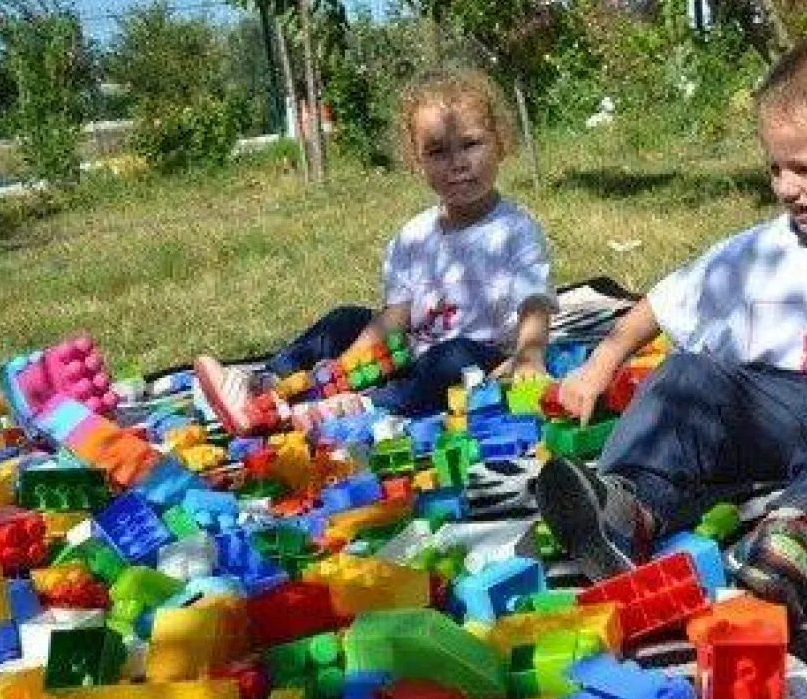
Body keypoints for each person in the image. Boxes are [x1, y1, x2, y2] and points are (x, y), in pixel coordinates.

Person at [535, 36, 807, 622]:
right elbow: (663, 305)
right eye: (776, 168)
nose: (786, 187)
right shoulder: (756, 253)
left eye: (806, 169)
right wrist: (599, 364)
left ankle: (799, 532)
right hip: (755, 412)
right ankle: (628, 506)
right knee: (691, 369)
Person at [195, 68, 555, 431]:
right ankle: (264, 386)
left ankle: (360, 406)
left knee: (452, 355)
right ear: (417, 162)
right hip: (407, 354)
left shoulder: (515, 229)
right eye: (437, 152)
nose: (458, 163)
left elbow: (534, 304)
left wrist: (530, 355)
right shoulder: (413, 236)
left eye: (471, 144)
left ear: (502, 143)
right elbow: (394, 320)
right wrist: (346, 368)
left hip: (480, 359)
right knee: (345, 319)